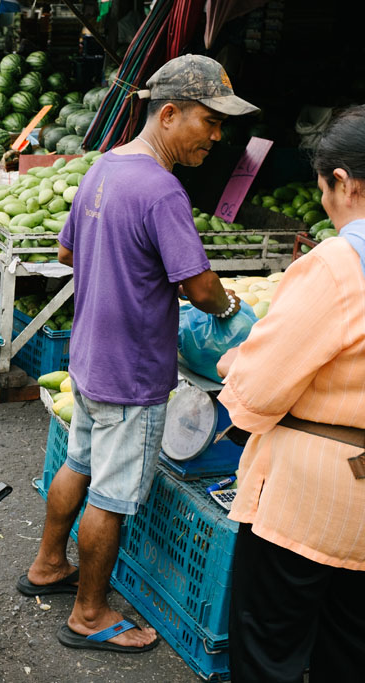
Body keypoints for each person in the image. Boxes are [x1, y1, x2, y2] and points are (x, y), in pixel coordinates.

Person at [18, 55, 259, 653]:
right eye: (209, 120)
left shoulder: (105, 168)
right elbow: (200, 288)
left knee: (79, 463)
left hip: (92, 358)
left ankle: (48, 564)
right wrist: (232, 313)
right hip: (132, 373)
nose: (216, 135)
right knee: (114, 494)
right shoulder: (161, 189)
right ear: (169, 113)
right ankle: (90, 614)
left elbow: (70, 254)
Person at [215, 106, 365, 682]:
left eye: (324, 186)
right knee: (350, 649)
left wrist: (235, 361)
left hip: (310, 500)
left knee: (269, 650)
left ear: (343, 182)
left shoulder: (336, 264)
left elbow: (256, 392)